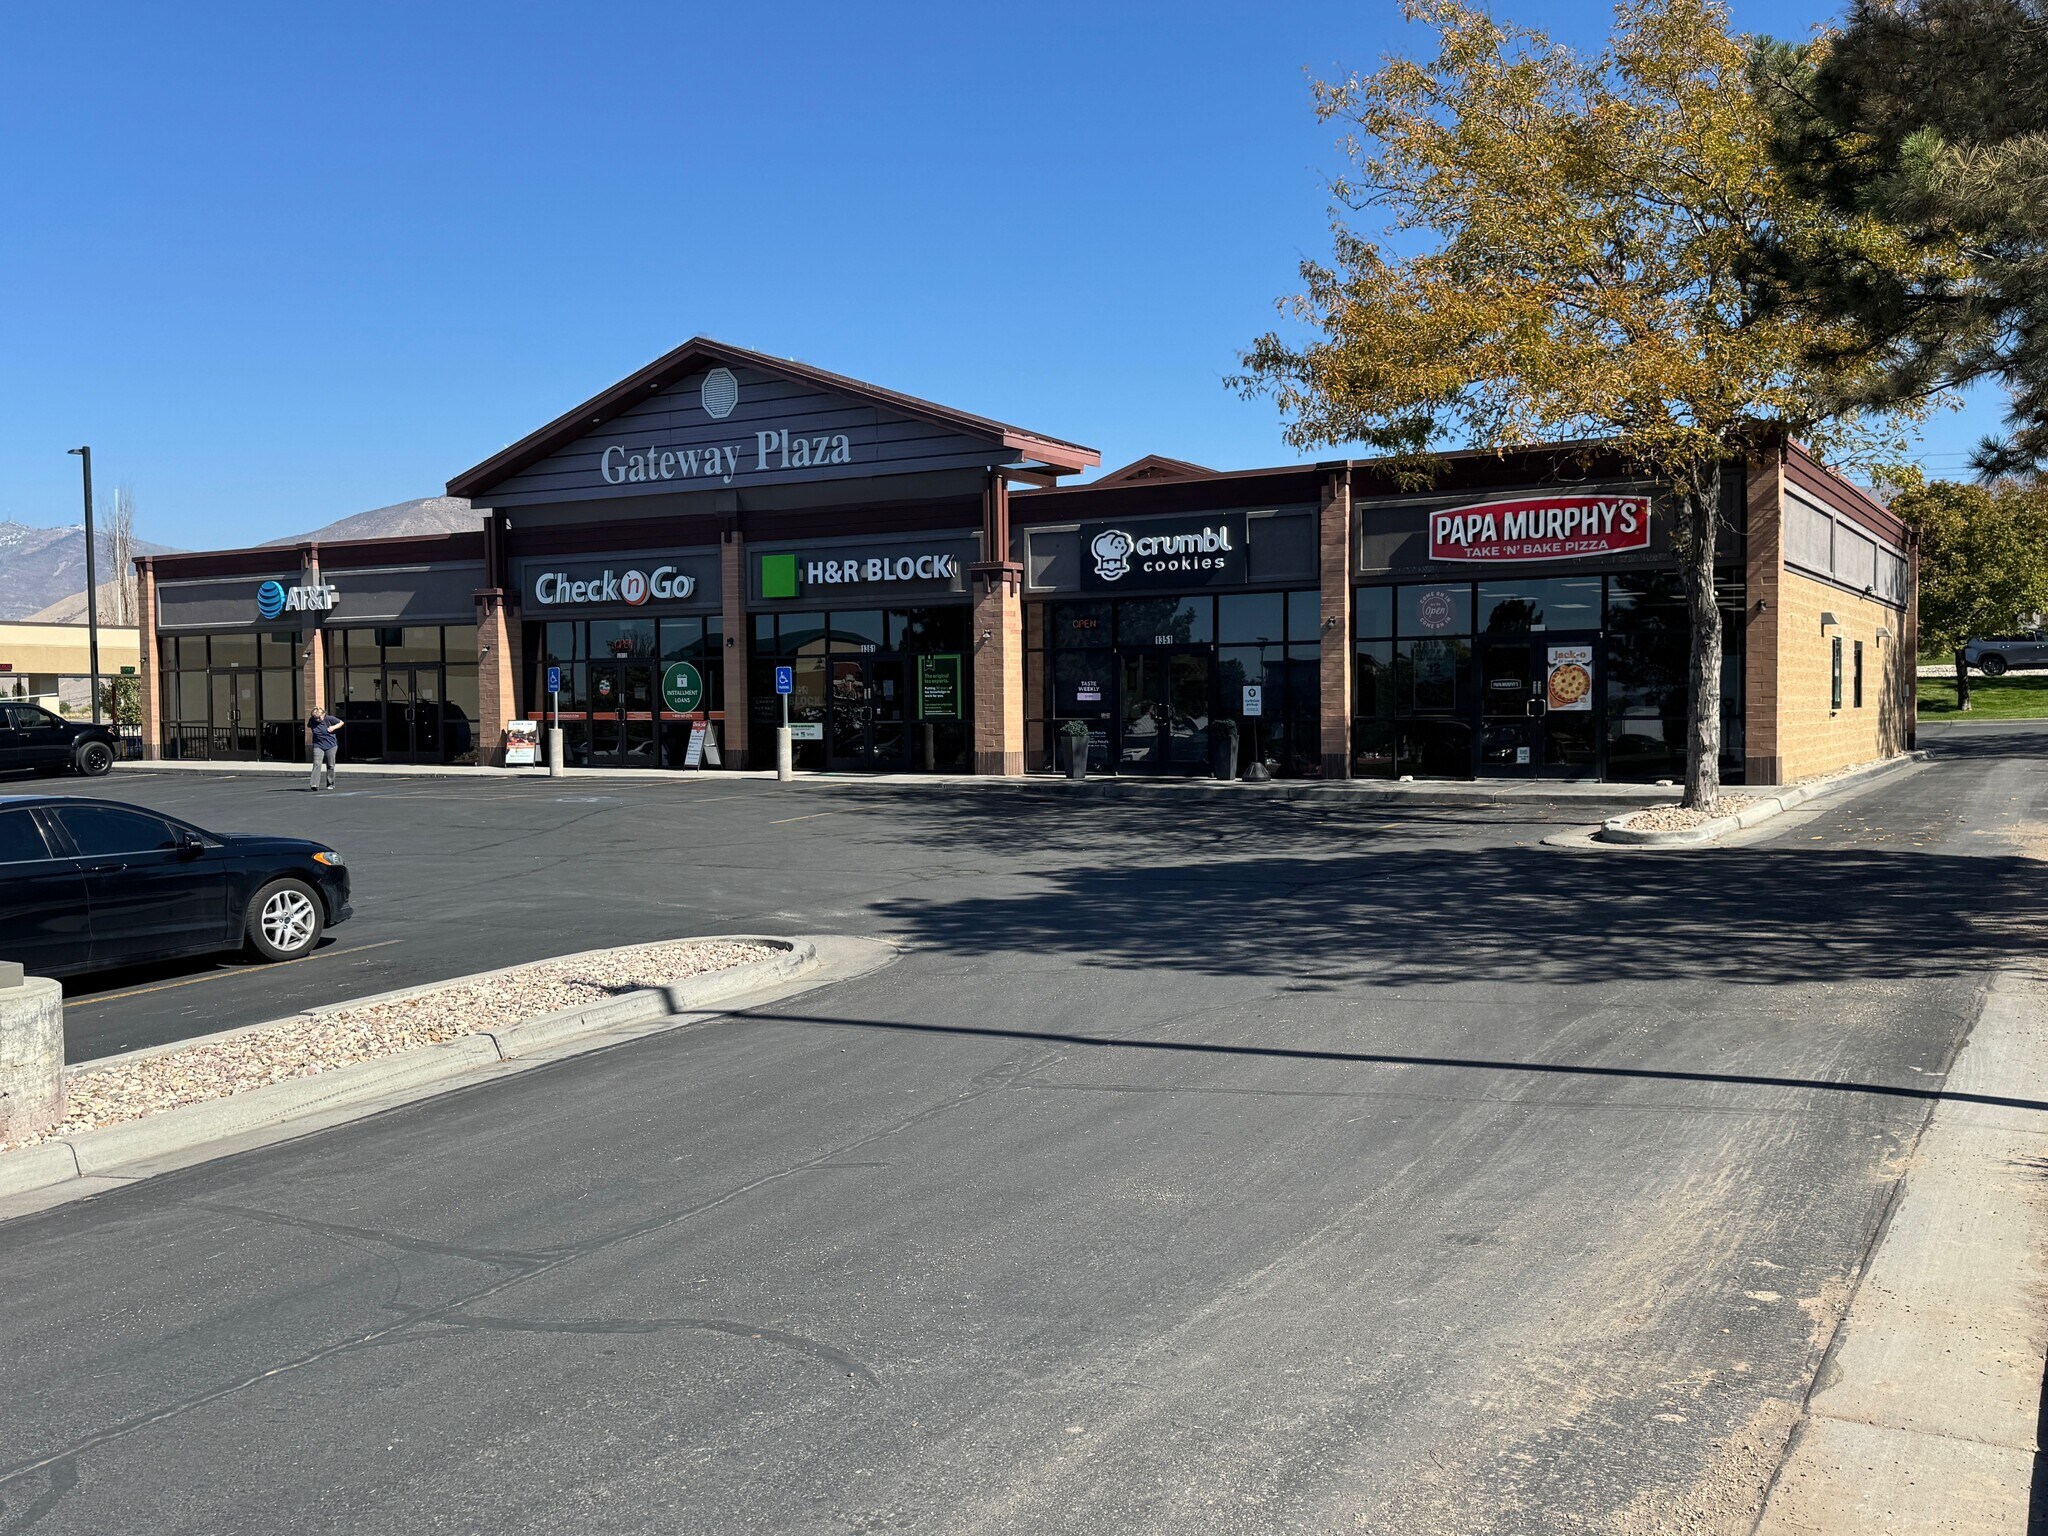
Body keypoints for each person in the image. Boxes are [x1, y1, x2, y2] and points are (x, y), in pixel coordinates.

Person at [307, 706, 343, 790]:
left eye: (319, 717)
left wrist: (333, 727)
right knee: (317, 763)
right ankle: (314, 784)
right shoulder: (312, 720)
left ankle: (330, 783)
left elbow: (341, 723)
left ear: (323, 714)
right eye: (316, 718)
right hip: (318, 745)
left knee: (330, 764)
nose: (317, 719)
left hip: (331, 745)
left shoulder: (329, 719)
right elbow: (309, 726)